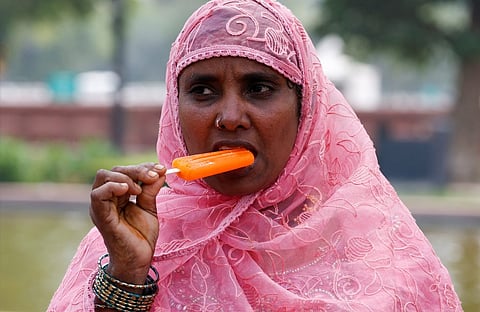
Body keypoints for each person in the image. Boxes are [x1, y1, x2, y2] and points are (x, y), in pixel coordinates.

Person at [48, 0, 462, 311]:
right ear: (175, 112)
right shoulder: (133, 239)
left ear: (306, 110)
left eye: (259, 89)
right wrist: (127, 276)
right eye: (203, 91)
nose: (229, 118)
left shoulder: (383, 253)